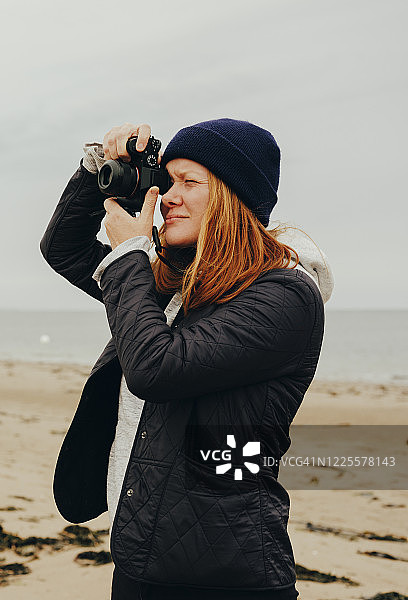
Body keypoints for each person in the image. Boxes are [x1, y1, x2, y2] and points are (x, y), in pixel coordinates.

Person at [40, 118, 334, 599]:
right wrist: (102, 168)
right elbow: (65, 249)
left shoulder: (284, 294)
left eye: (188, 182)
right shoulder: (175, 288)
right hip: (141, 553)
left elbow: (156, 369)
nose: (168, 197)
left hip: (223, 574)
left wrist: (131, 252)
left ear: (233, 199)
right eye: (166, 180)